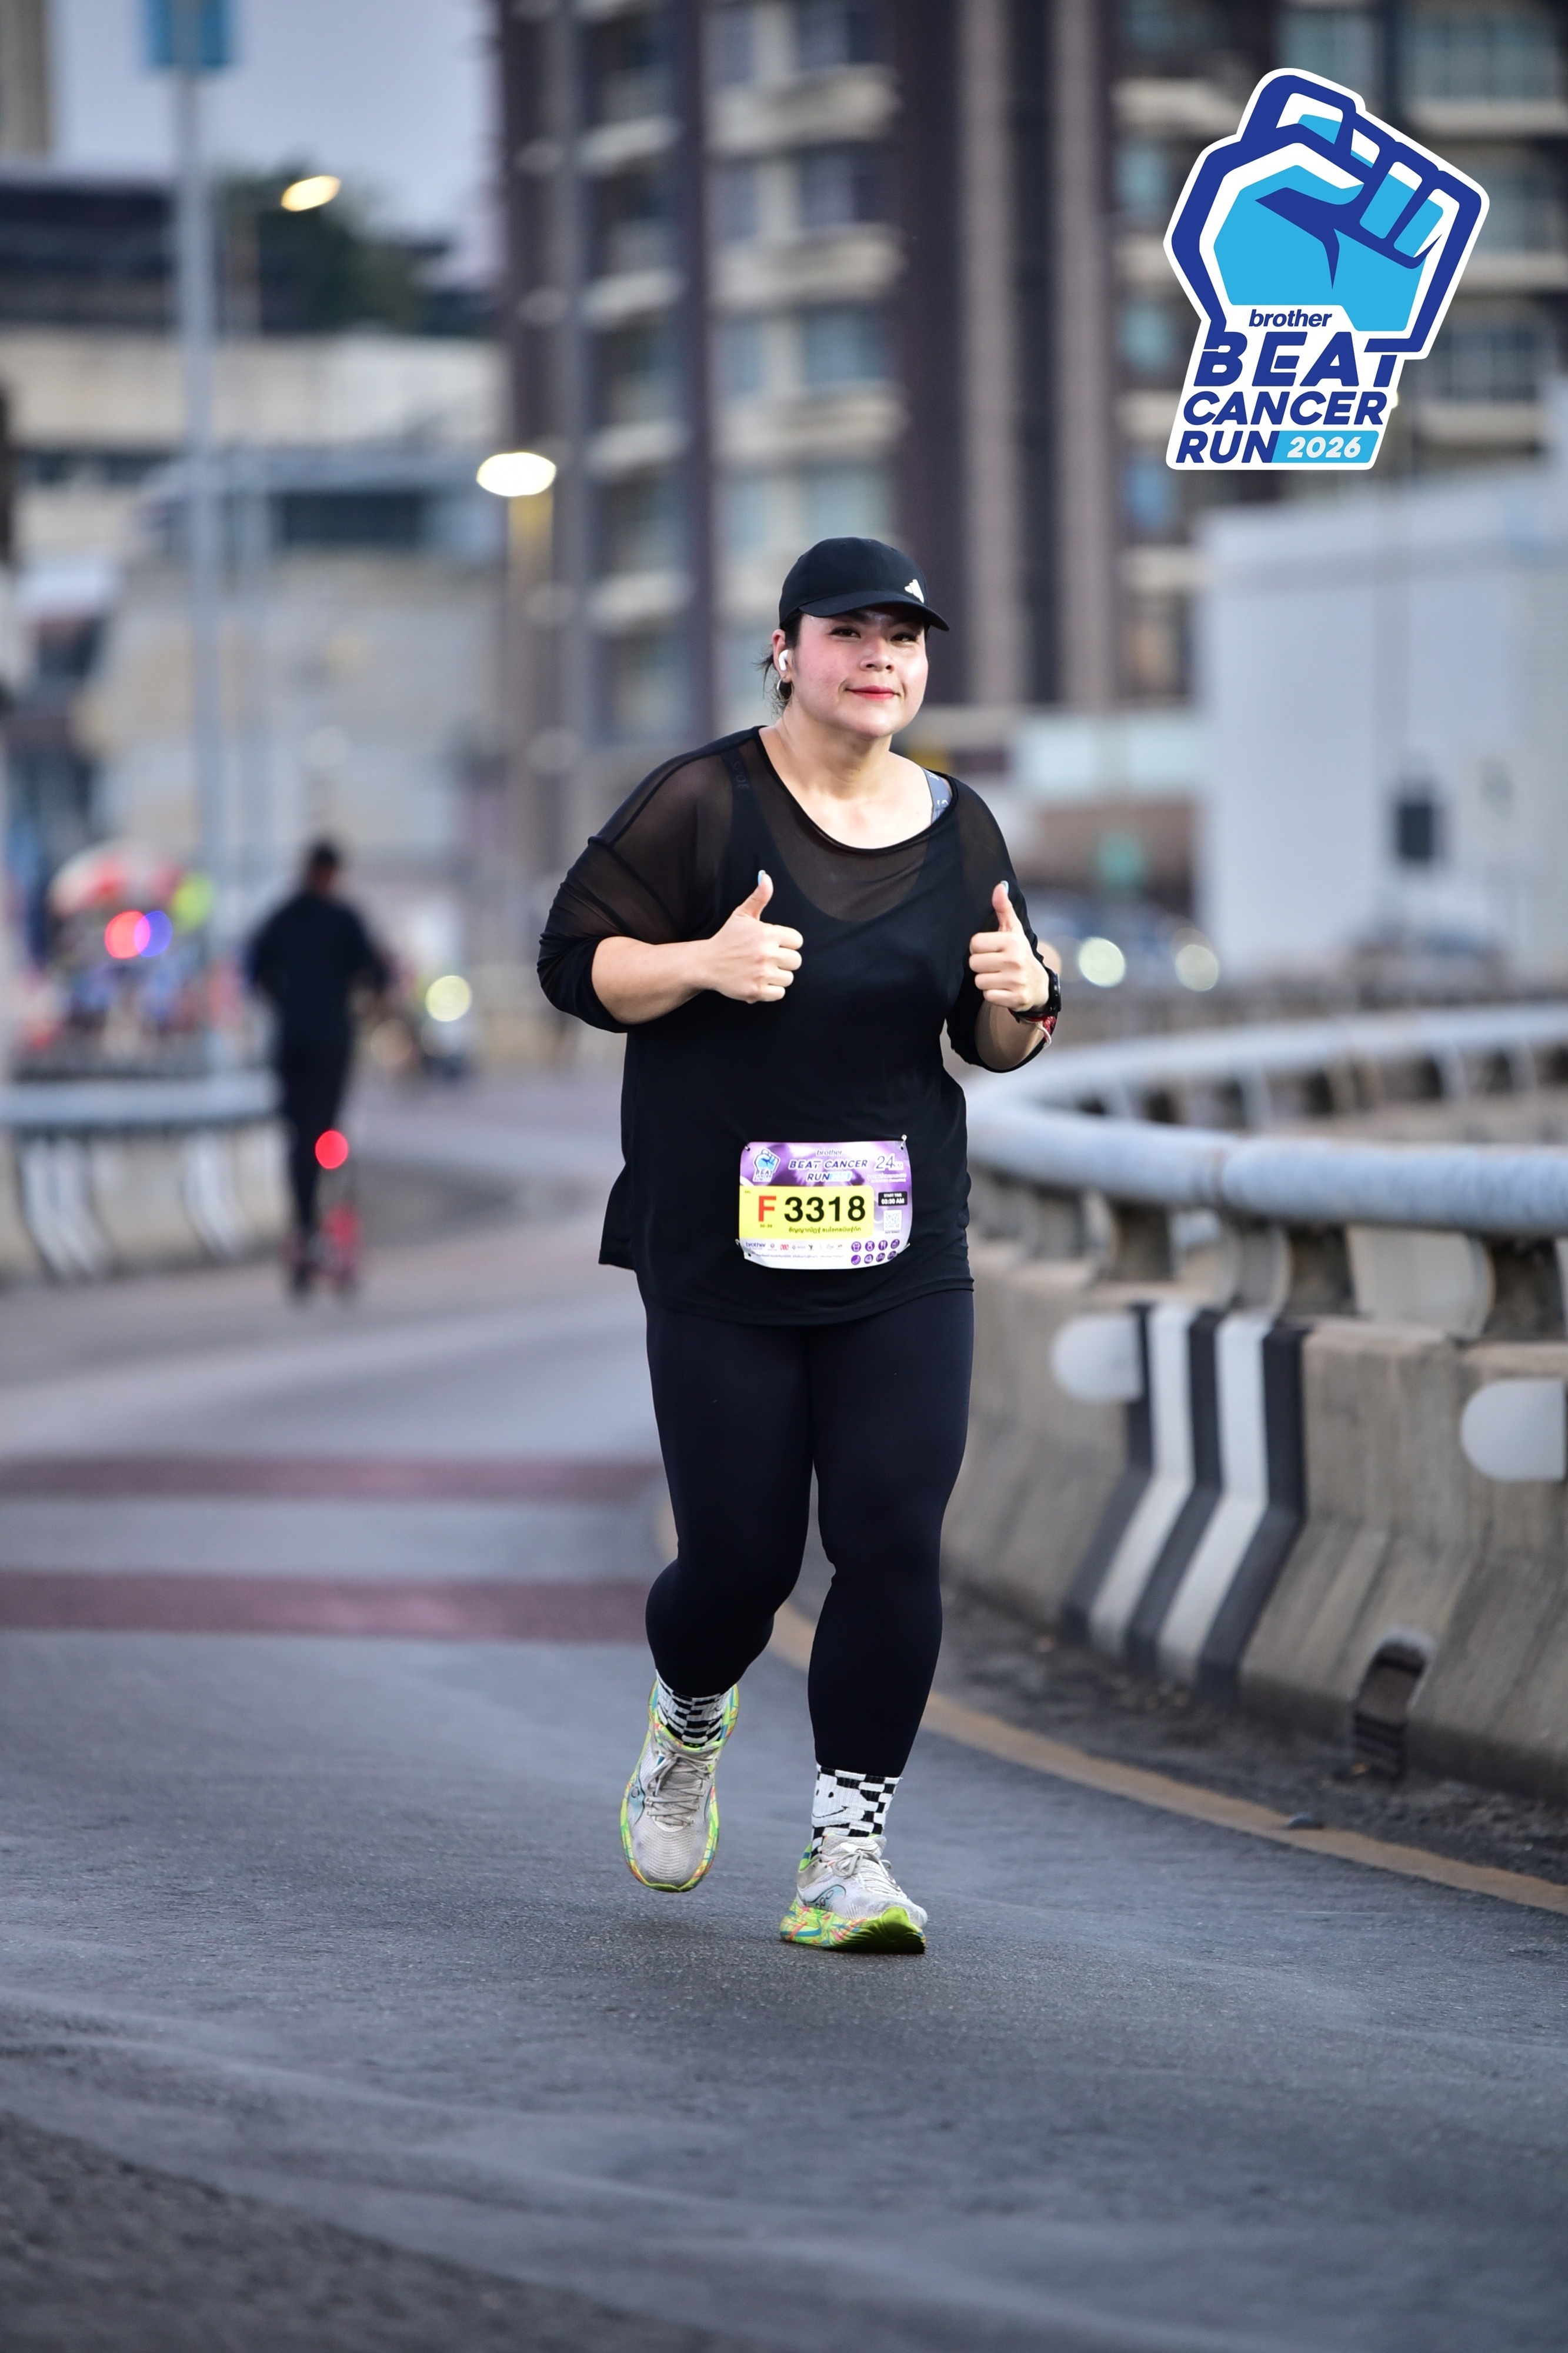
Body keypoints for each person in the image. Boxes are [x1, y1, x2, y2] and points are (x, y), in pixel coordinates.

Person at [538, 538, 1060, 1952]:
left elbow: (993, 1036)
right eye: (848, 631)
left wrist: (1024, 999)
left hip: (902, 1245)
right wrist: (697, 963)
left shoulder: (960, 827)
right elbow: (570, 962)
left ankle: (847, 1854)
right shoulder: (701, 802)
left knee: (890, 1535)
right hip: (721, 1249)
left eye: (904, 635)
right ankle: (687, 1717)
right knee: (737, 1563)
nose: (880, 655)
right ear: (785, 650)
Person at [246, 839, 389, 1293]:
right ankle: (328, 1227)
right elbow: (378, 974)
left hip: (291, 1044)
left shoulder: (281, 918)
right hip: (331, 1044)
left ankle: (304, 1226)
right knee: (327, 1134)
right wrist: (362, 1001)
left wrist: (284, 1002)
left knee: (298, 1138)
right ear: (332, 874)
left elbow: (254, 971)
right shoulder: (343, 920)